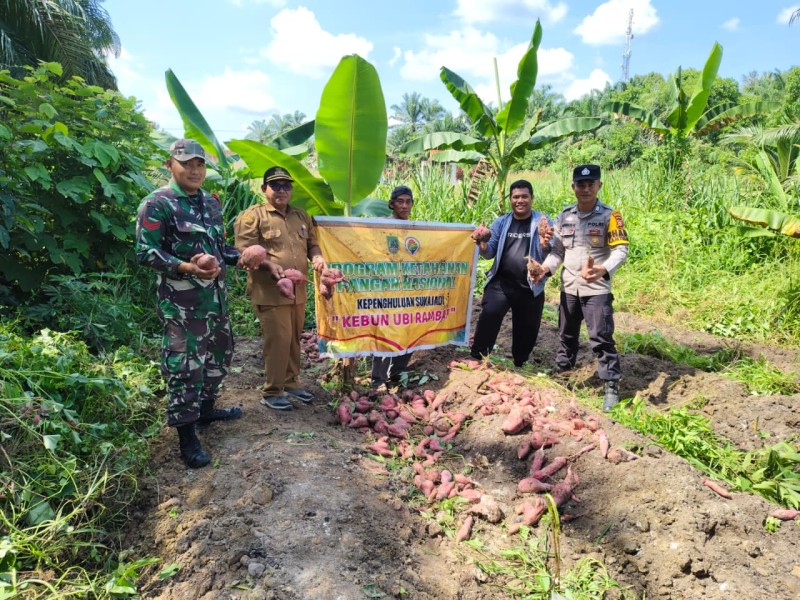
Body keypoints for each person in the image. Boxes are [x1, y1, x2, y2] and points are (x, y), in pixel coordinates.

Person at [135, 139, 242, 469]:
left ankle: (206, 410)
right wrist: (187, 267)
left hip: (216, 300)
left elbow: (219, 247)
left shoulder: (210, 202)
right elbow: (145, 252)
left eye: (200, 164)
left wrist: (242, 257)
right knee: (185, 367)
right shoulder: (157, 204)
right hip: (182, 304)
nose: (195, 170)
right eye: (187, 164)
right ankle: (186, 437)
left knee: (220, 355)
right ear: (170, 165)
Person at [534, 164, 629, 412]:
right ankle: (563, 374)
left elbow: (621, 250)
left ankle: (611, 386)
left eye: (590, 184)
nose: (585, 189)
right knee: (566, 335)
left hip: (596, 289)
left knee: (601, 338)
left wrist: (603, 269)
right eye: (581, 185)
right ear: (573, 187)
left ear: (599, 186)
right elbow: (557, 251)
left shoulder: (610, 216)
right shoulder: (565, 216)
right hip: (569, 287)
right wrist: (544, 269)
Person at [234, 166, 327, 411]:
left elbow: (313, 244)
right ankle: (273, 390)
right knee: (279, 341)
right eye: (275, 185)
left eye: (286, 185)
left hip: (298, 291)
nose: (281, 190)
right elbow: (244, 251)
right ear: (264, 188)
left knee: (294, 339)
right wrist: (268, 265)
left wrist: (317, 258)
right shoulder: (252, 216)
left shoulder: (301, 216)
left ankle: (291, 383)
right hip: (270, 291)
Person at [469, 179, 553, 367]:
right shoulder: (501, 222)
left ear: (532, 198)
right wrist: (482, 244)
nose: (520, 200)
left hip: (530, 285)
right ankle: (477, 356)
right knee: (490, 313)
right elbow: (490, 252)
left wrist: (544, 244)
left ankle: (520, 362)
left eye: (524, 196)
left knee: (527, 327)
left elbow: (552, 251)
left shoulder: (542, 222)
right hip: (501, 282)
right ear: (510, 199)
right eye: (515, 197)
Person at [371, 185, 415, 390]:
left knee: (411, 328)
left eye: (408, 202)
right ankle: (378, 379)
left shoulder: (417, 229)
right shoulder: (381, 226)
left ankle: (397, 372)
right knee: (385, 330)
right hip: (386, 288)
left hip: (409, 288)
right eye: (400, 201)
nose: (404, 206)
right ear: (391, 204)